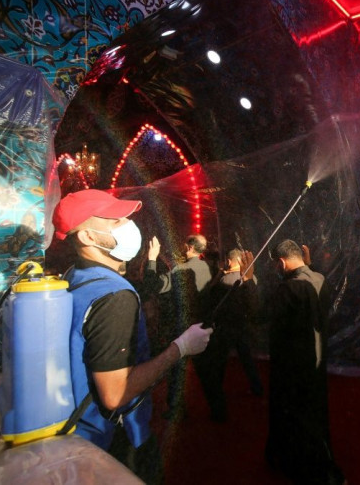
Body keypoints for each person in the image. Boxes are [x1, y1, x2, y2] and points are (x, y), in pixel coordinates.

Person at [51, 189, 213, 483]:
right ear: (87, 237)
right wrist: (180, 348)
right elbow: (115, 394)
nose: (127, 224)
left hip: (78, 435)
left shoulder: (73, 275)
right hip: (115, 440)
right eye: (115, 221)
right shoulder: (115, 295)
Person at [245, 240, 345, 485]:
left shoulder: (288, 289)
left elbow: (258, 315)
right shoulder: (320, 278)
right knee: (314, 415)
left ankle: (313, 471)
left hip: (292, 366)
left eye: (275, 265)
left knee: (295, 417)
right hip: (317, 362)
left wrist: (248, 281)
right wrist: (309, 266)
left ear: (281, 262)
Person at [144, 234, 214, 419]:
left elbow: (154, 285)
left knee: (178, 370)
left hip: (182, 326)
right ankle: (218, 409)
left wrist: (152, 258)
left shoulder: (182, 270)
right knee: (206, 371)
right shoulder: (208, 267)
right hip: (202, 323)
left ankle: (176, 410)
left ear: (189, 247)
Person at [194, 248, 263, 422]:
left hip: (225, 328)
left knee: (218, 364)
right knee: (246, 359)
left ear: (230, 261)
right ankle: (257, 387)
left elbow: (207, 296)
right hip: (242, 326)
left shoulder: (224, 280)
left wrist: (217, 276)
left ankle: (219, 405)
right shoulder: (251, 278)